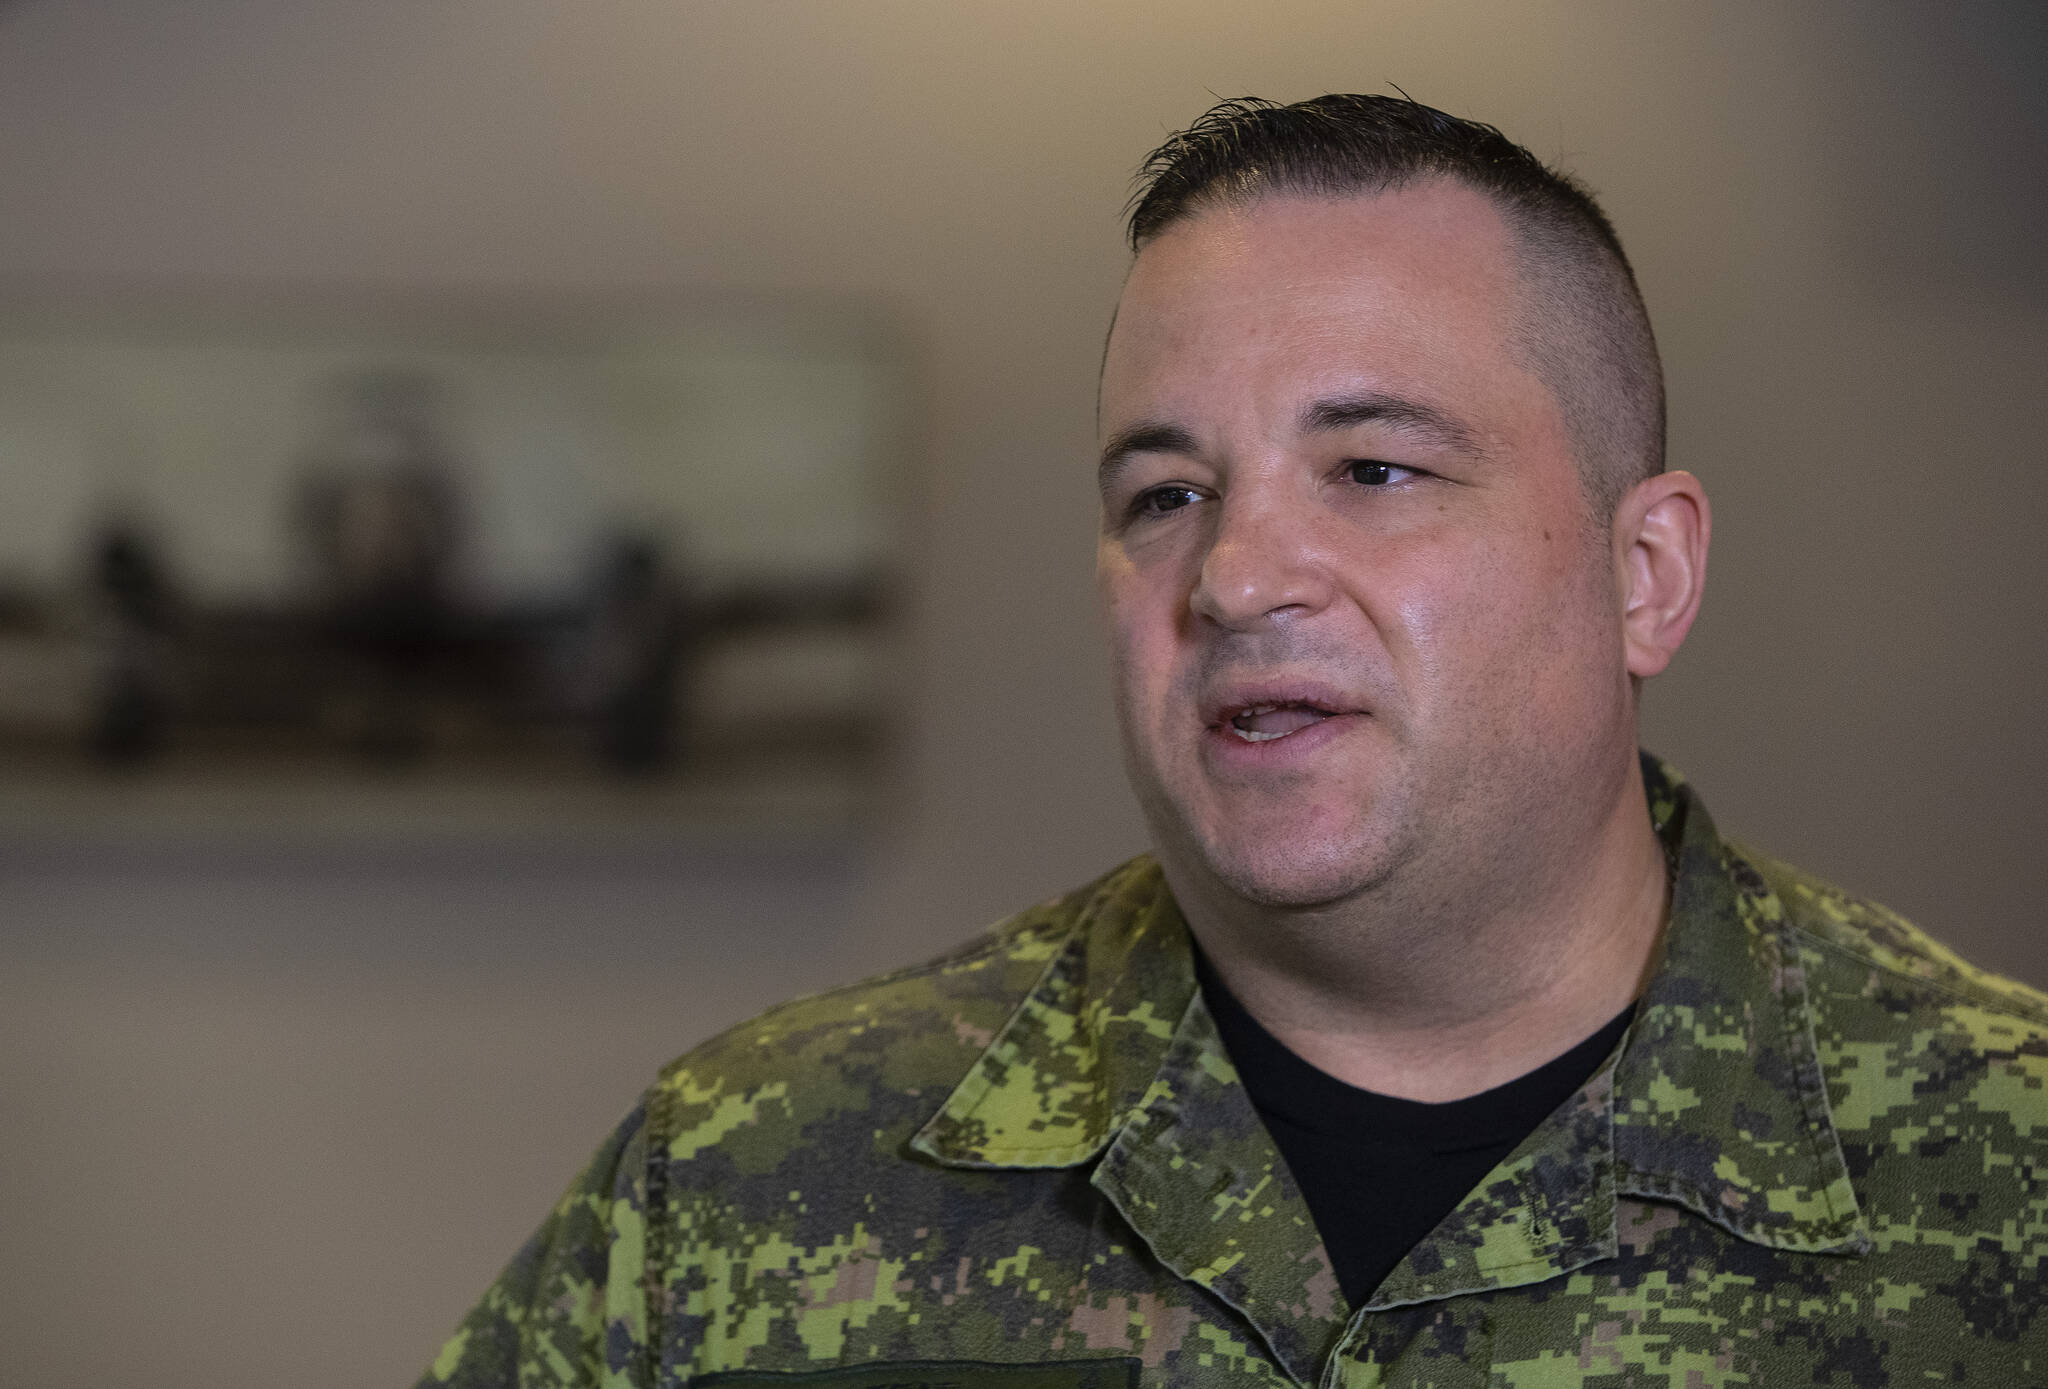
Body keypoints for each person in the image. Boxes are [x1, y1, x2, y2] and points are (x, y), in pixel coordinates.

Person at [417, 95, 2048, 1389]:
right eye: (1166, 495)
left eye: (1376, 470)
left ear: (1645, 576)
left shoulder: (2005, 1176)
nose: (1239, 576)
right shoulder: (742, 1173)